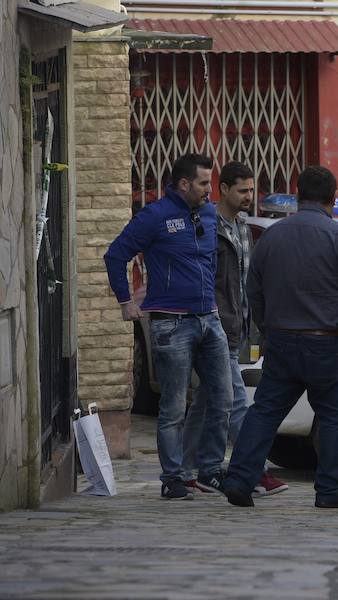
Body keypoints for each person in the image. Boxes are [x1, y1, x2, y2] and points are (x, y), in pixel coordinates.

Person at [221, 166, 338, 509]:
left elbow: (253, 289)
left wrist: (268, 328)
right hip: (330, 341)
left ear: (297, 196)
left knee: (265, 411)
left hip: (282, 339)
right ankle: (330, 489)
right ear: (333, 198)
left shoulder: (273, 237)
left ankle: (239, 479)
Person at [104, 153, 231, 500]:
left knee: (223, 397)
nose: (210, 190)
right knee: (174, 405)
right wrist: (124, 300)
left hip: (209, 319)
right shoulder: (155, 216)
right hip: (171, 324)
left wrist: (215, 305)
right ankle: (172, 477)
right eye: (204, 183)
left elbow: (211, 260)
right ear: (184, 184)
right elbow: (115, 254)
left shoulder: (208, 212)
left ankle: (209, 471)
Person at [181, 161, 288, 498]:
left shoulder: (242, 227)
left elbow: (246, 282)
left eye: (251, 190)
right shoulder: (208, 226)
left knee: (207, 400)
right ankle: (254, 469)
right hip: (213, 327)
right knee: (235, 400)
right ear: (223, 189)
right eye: (242, 190)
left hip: (236, 327)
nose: (248, 196)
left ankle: (187, 470)